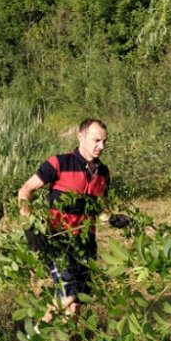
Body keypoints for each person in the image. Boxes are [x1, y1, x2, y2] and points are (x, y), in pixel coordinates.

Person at [18, 118, 123, 319]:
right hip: (60, 241)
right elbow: (25, 190)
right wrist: (29, 223)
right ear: (80, 137)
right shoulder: (59, 163)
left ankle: (67, 339)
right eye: (96, 140)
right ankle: (36, 335)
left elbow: (102, 209)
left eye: (104, 141)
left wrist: (113, 219)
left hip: (86, 244)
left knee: (76, 305)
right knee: (67, 295)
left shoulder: (103, 173)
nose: (101, 146)